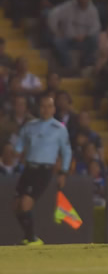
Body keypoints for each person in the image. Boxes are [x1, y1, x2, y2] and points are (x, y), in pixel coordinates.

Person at [13, 94, 72, 245]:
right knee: (17, 205)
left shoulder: (59, 128)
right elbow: (18, 145)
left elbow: (66, 152)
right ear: (39, 108)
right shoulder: (29, 126)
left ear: (54, 109)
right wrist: (15, 151)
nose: (46, 109)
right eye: (43, 106)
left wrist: (63, 172)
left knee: (25, 202)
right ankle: (28, 236)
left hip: (44, 170)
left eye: (49, 106)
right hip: (29, 168)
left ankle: (32, 239)